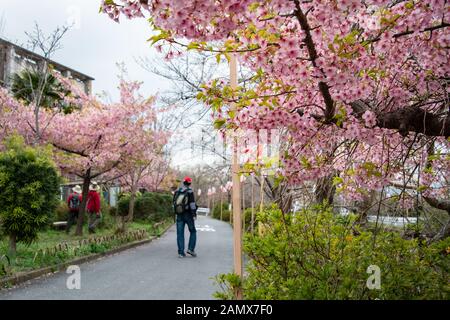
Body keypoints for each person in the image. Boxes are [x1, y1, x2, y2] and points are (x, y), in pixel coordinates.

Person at [173, 176, 197, 258]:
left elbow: (174, 203)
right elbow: (192, 204)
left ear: (183, 182)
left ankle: (181, 252)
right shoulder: (190, 192)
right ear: (189, 183)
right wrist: (194, 214)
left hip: (179, 214)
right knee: (193, 231)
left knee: (180, 234)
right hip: (188, 215)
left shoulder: (177, 191)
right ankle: (190, 249)